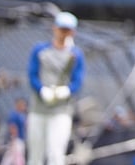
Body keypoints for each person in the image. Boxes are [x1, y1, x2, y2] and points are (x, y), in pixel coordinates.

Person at [27, 11, 85, 165]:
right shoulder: (40, 50)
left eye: (67, 30)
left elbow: (78, 81)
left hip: (61, 111)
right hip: (38, 109)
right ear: (54, 28)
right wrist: (41, 90)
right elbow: (32, 75)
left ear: (73, 32)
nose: (64, 33)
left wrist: (67, 91)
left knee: (55, 154)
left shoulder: (76, 55)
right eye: (61, 29)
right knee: (35, 154)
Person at [0, 98, 28, 165]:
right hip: (16, 139)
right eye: (22, 105)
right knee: (14, 157)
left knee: (11, 157)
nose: (24, 107)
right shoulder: (14, 115)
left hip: (21, 139)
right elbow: (12, 127)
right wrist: (13, 139)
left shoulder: (22, 115)